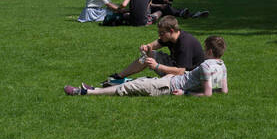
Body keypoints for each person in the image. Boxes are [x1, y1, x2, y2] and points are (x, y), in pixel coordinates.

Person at [66, 36, 227, 97]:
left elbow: (208, 95)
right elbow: (222, 90)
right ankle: (102, 85)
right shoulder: (222, 66)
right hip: (171, 80)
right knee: (138, 81)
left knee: (130, 87)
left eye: (206, 49)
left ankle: (85, 92)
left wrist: (185, 93)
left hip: (169, 86)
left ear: (210, 51)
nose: (204, 52)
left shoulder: (206, 65)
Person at [100, 14, 207, 85]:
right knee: (149, 55)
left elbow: (181, 71)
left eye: (162, 33)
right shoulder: (170, 37)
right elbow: (156, 43)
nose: (160, 36)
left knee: (152, 71)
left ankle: (130, 81)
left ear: (171, 30)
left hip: (188, 78)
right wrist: (147, 47)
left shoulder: (185, 43)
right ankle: (119, 76)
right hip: (176, 68)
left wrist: (157, 66)